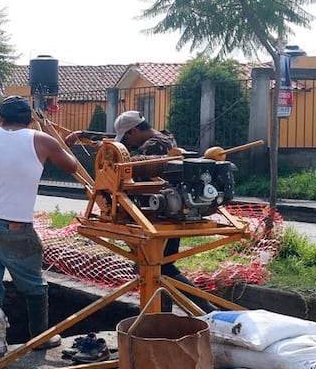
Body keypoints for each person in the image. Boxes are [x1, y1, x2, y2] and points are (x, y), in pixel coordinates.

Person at [67, 110, 215, 313]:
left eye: (126, 136)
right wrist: (86, 135)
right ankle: (168, 315)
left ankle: (205, 312)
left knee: (159, 268)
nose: (126, 142)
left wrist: (110, 153)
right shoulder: (164, 137)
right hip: (163, 211)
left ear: (135, 130)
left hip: (159, 213)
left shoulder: (156, 146)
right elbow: (130, 149)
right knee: (158, 268)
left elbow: (132, 164)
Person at [0, 96, 80, 348]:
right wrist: (62, 144)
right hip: (15, 228)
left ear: (0, 118)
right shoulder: (43, 140)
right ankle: (40, 338)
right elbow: (71, 165)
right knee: (34, 287)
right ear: (31, 119)